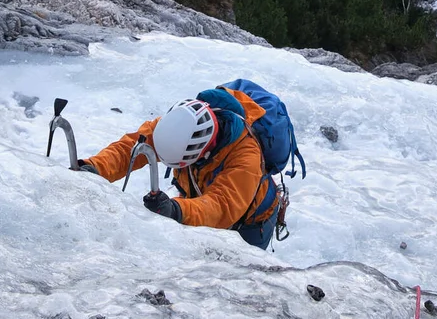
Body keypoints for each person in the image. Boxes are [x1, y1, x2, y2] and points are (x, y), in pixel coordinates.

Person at [79, 84, 287, 249]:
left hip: (250, 222)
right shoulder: (177, 125)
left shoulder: (245, 154)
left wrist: (177, 210)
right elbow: (130, 149)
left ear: (201, 150)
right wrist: (95, 167)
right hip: (199, 197)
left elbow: (222, 206)